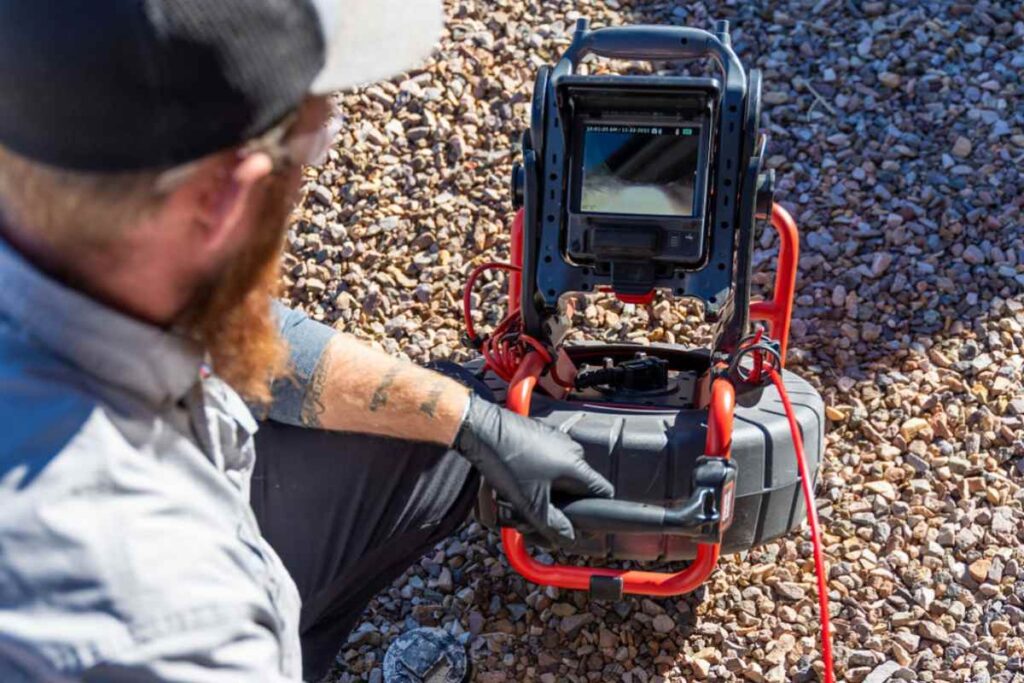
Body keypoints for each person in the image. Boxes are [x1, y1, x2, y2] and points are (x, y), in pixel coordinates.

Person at [0, 1, 614, 681]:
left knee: (449, 430)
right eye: (315, 147)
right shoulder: (180, 632)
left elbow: (259, 334)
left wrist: (474, 420)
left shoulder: (74, 239)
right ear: (223, 200)